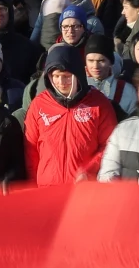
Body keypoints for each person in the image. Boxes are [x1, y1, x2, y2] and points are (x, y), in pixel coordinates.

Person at [24, 46, 118, 186]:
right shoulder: (39, 105)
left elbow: (110, 145)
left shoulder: (99, 103)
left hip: (84, 189)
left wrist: (90, 170)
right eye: (56, 76)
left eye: (67, 76)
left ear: (77, 75)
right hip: (47, 189)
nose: (61, 82)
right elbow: (30, 149)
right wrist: (33, 183)